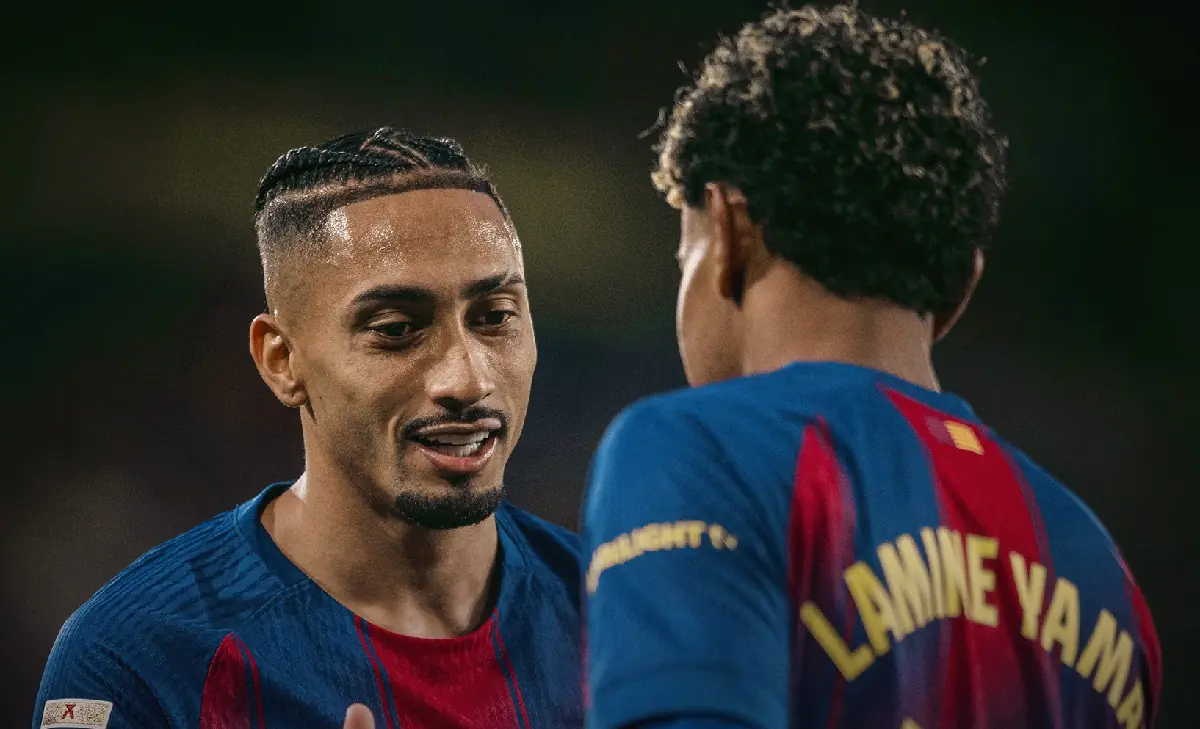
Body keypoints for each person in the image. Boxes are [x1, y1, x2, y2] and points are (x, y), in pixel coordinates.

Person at [580, 6, 1161, 729]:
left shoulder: (697, 452)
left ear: (729, 232)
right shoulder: (1101, 569)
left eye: (684, 255)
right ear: (959, 289)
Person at [34, 128, 583, 729]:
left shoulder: (618, 606)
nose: (468, 380)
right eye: (396, 329)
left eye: (496, 316)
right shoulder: (135, 657)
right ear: (281, 360)